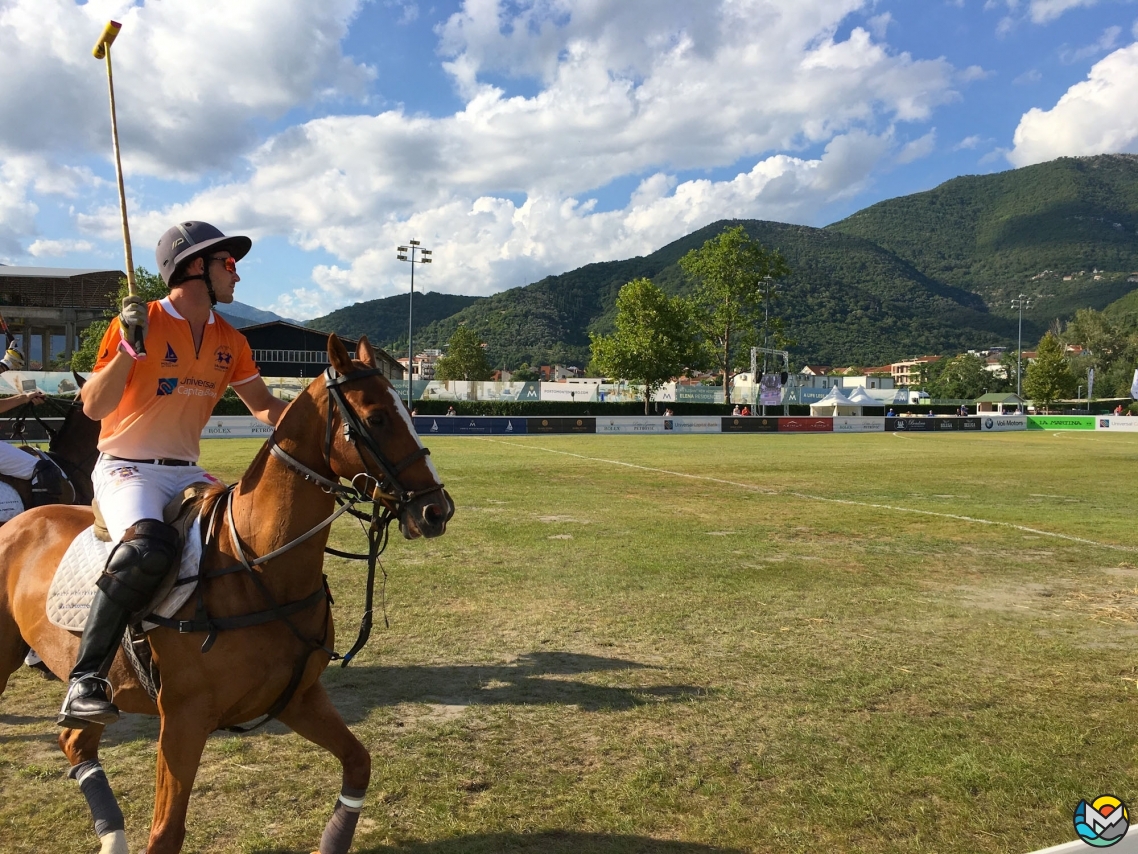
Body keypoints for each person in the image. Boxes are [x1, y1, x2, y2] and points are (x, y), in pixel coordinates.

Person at [58, 221, 288, 729]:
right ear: (193, 268)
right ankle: (86, 679)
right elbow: (94, 408)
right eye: (229, 265)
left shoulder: (231, 339)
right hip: (127, 468)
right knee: (147, 548)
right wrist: (127, 349)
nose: (237, 276)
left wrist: (319, 419)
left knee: (243, 539)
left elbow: (265, 406)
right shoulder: (138, 324)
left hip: (185, 471)